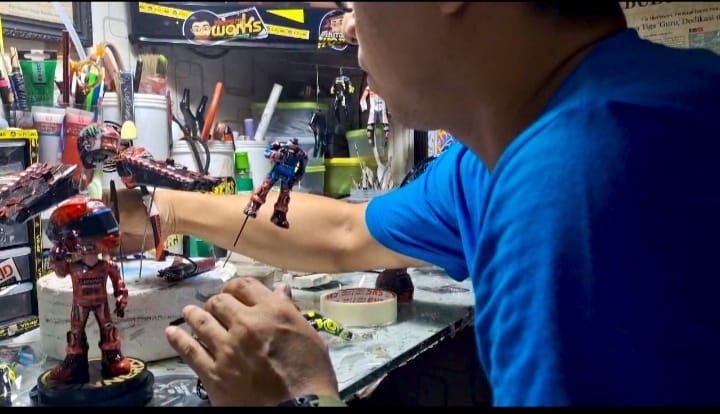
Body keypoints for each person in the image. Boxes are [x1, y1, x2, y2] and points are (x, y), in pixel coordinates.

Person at [108, 2, 720, 406]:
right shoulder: (503, 150)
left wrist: (300, 394)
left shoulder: (575, 174)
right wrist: (161, 208)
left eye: (354, 2)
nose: (348, 26)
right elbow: (345, 233)